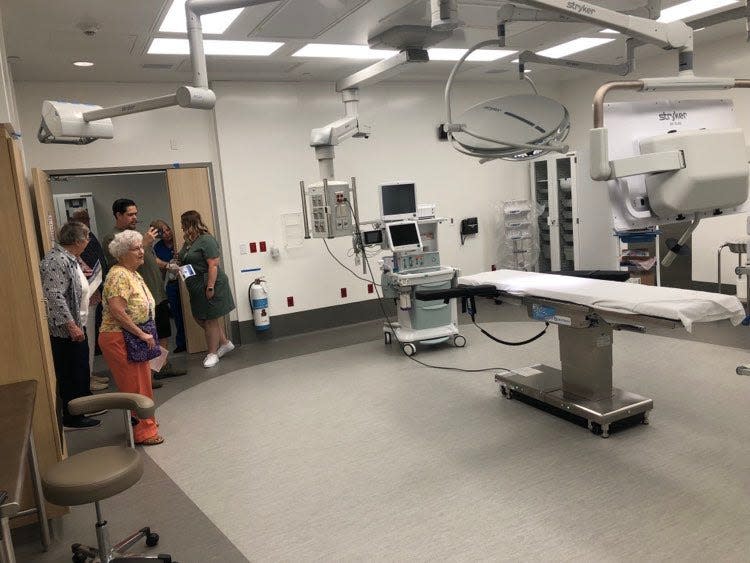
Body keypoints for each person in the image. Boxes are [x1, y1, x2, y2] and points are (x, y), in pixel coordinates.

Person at [102, 199, 186, 384]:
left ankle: (160, 367)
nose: (135, 217)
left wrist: (168, 265)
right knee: (147, 337)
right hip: (138, 300)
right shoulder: (113, 238)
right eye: (130, 214)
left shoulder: (136, 235)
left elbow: (148, 259)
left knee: (163, 334)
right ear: (118, 215)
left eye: (135, 213)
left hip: (156, 293)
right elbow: (119, 264)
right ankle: (148, 375)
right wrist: (145, 242)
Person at [99, 230, 164, 446]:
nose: (141, 251)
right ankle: (144, 431)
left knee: (143, 382)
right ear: (123, 252)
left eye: (141, 247)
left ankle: (147, 421)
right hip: (121, 338)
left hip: (133, 336)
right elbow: (118, 311)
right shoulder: (118, 275)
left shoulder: (132, 272)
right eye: (136, 248)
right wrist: (141, 333)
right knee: (134, 386)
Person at [39, 222, 101, 430]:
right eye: (86, 237)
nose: (88, 241)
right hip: (66, 331)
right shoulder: (56, 260)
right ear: (77, 241)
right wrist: (71, 326)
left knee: (81, 370)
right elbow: (55, 296)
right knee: (71, 373)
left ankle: (82, 408)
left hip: (76, 324)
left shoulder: (69, 258)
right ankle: (73, 417)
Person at [178, 210, 236, 368]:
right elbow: (183, 260)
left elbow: (213, 265)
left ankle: (212, 354)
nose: (181, 226)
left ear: (190, 224)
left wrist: (210, 287)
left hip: (210, 283)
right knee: (199, 317)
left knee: (210, 319)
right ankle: (224, 343)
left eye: (183, 223)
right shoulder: (188, 242)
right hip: (195, 285)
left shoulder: (206, 240)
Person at [69, 208, 109, 392]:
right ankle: (87, 378)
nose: (86, 220)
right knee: (88, 341)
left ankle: (90, 374)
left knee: (91, 339)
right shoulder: (68, 255)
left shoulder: (87, 239)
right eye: (81, 218)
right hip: (85, 301)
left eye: (86, 217)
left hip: (93, 295)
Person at [151, 219, 186, 353]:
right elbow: (160, 270)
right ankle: (181, 342)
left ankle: (194, 340)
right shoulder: (158, 248)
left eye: (167, 229)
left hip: (185, 281)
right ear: (158, 235)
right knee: (176, 314)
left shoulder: (180, 242)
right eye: (163, 232)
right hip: (172, 283)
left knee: (187, 313)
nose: (167, 233)